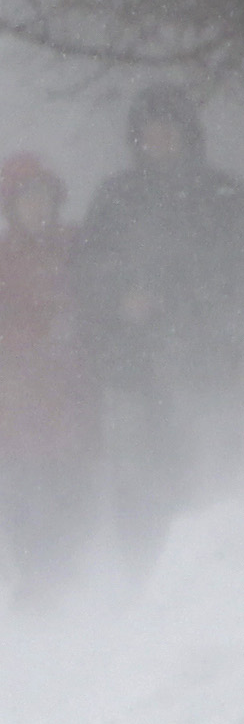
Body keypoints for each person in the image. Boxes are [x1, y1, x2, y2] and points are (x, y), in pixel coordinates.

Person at [72, 85, 243, 571]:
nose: (161, 138)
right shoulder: (115, 196)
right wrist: (121, 298)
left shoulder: (223, 195)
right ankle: (141, 577)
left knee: (207, 474)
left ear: (189, 134)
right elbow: (85, 271)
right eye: (151, 129)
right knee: (138, 479)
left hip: (207, 363)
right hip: (134, 366)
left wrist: (220, 323)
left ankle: (204, 580)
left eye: (170, 127)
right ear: (136, 137)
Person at [0, 153, 94, 601]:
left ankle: (62, 572)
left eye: (43, 197)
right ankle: (30, 576)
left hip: (69, 391)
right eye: (27, 198)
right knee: (19, 487)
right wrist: (34, 337)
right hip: (15, 396)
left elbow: (99, 298)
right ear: (10, 205)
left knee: (66, 483)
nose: (37, 207)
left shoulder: (77, 246)